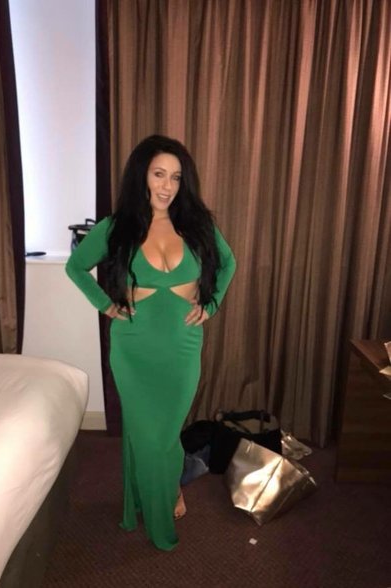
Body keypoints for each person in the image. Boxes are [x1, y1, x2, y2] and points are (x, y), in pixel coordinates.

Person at [66, 135, 236, 551]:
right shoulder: (116, 227)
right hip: (134, 349)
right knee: (147, 435)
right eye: (159, 174)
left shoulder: (196, 224)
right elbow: (75, 267)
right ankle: (161, 523)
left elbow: (228, 263)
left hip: (182, 347)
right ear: (141, 175)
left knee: (165, 434)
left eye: (176, 177)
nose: (167, 186)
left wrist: (212, 304)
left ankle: (164, 486)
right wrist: (105, 305)